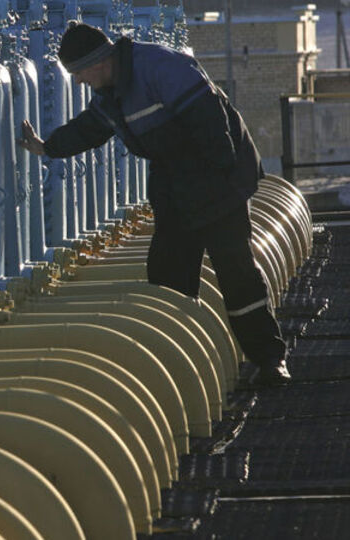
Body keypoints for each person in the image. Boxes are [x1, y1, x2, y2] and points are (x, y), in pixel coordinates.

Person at [19, 21, 291, 386]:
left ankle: (270, 360)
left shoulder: (162, 67)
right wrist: (47, 147)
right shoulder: (111, 93)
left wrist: (217, 189)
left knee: (237, 271)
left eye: (79, 73)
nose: (80, 82)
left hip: (216, 174)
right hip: (174, 175)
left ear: (97, 62)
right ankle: (180, 368)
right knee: (167, 274)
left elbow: (213, 125)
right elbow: (91, 128)